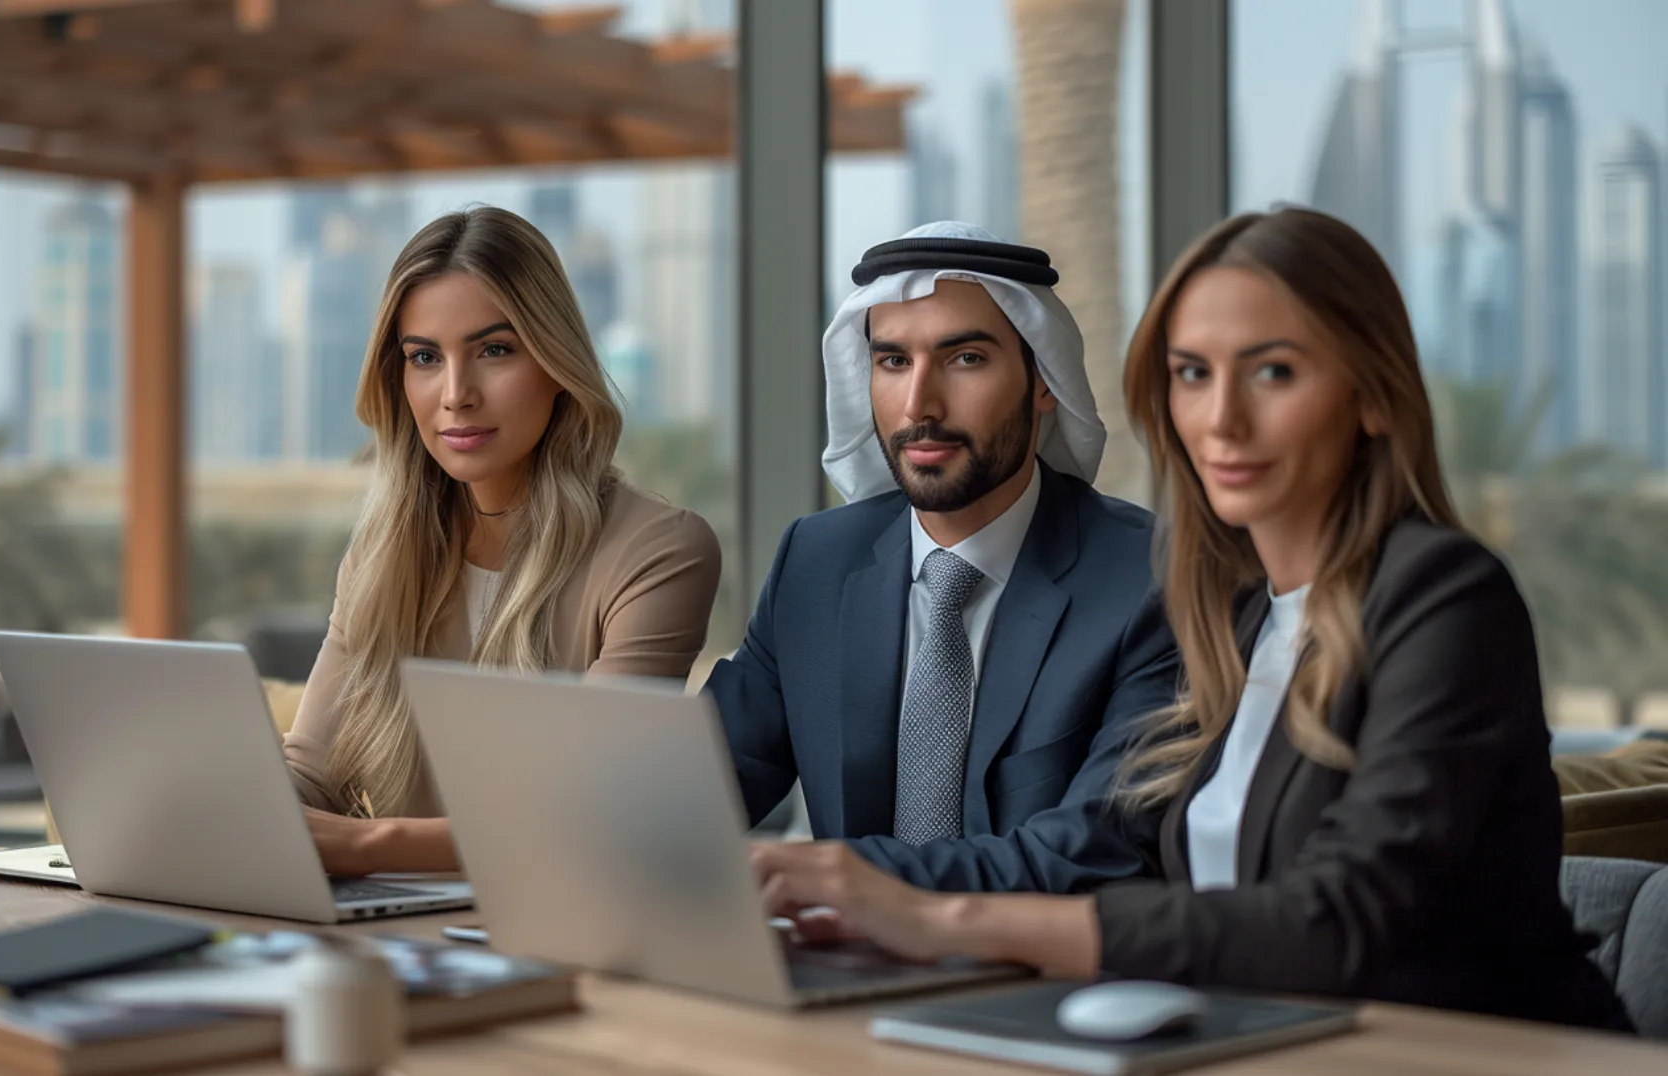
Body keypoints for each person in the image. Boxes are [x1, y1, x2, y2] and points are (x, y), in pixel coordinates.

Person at [748, 207, 1633, 1031]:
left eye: (1273, 372)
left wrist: (932, 913)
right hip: (1261, 1039)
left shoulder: (1443, 597)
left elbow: (1334, 922)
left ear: (1373, 396)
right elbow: (1182, 874)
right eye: (1193, 375)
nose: (1223, 419)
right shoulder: (1234, 615)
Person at [709, 222, 1179, 894]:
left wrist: (845, 878)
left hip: (1042, 984)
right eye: (893, 361)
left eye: (965, 360)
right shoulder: (816, 562)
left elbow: (1092, 850)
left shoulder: (1150, 579)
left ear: (1043, 381)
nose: (918, 405)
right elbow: (701, 784)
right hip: (841, 974)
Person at [284, 206, 721, 876]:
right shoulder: (383, 555)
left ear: (554, 362)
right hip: (395, 935)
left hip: (565, 930)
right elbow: (310, 769)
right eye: (425, 358)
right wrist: (236, 812)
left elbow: (589, 812)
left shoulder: (659, 553)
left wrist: (372, 846)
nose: (456, 395)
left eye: (494, 350)